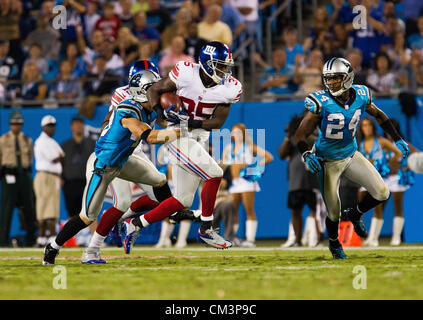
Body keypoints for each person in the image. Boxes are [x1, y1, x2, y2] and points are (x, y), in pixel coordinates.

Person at [43, 69, 182, 265]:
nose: (158, 93)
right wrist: (180, 131)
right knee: (87, 216)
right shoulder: (128, 110)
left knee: (159, 180)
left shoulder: (149, 108)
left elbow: (163, 118)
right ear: (142, 92)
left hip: (122, 162)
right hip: (102, 166)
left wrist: (177, 115)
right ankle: (53, 247)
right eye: (154, 89)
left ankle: (173, 213)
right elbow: (150, 137)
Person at [293, 57, 409, 259]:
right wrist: (306, 153)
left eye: (336, 78)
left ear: (348, 78)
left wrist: (397, 138)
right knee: (334, 212)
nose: (331, 83)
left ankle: (355, 213)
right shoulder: (321, 102)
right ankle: (334, 243)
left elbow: (380, 115)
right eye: (328, 79)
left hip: (351, 154)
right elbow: (300, 135)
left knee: (382, 193)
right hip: (327, 160)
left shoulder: (362, 95)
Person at [132, 41, 243, 249]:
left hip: (198, 135)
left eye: (226, 66)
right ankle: (207, 229)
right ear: (207, 63)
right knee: (215, 173)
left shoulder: (230, 88)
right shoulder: (185, 72)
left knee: (182, 200)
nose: (225, 70)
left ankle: (136, 223)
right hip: (176, 134)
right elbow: (154, 90)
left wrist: (188, 121)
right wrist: (160, 113)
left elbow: (217, 123)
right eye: (220, 65)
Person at [365, 119, 419, 246]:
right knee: (378, 207)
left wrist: (408, 166)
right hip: (383, 178)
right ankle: (373, 237)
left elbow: (417, 154)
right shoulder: (381, 143)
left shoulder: (403, 144)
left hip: (397, 179)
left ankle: (396, 237)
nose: (390, 132)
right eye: (388, 130)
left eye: (393, 129)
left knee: (397, 207)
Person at [223, 123, 274, 247]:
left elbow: (269, 157)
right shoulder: (229, 148)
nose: (236, 134)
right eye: (234, 132)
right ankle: (232, 238)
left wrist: (254, 167)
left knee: (248, 209)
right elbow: (224, 163)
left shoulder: (250, 147)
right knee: (233, 210)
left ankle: (250, 240)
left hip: (247, 181)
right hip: (234, 183)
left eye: (239, 132)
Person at [357, 117, 402, 247]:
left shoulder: (381, 141)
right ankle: (365, 236)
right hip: (365, 179)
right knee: (359, 207)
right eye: (364, 125)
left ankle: (374, 238)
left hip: (379, 178)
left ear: (373, 127)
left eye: (369, 125)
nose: (367, 128)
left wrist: (388, 164)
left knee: (378, 208)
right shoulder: (360, 144)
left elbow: (398, 153)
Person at [279, 114, 320, 248]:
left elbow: (316, 144)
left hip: (312, 181)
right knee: (295, 211)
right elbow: (281, 154)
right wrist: (288, 135)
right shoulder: (291, 139)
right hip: (295, 182)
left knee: (315, 211)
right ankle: (297, 239)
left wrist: (302, 134)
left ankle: (317, 239)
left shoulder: (311, 136)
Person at [0, 111, 36, 247]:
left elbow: (30, 157)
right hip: (9, 175)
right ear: (10, 124)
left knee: (29, 207)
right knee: (6, 209)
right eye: (14, 123)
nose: (16, 126)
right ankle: (2, 240)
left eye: (19, 123)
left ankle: (31, 239)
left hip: (24, 175)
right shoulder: (3, 140)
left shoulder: (27, 140)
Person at [34, 115, 65, 248]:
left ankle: (44, 238)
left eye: (53, 126)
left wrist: (60, 157)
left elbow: (62, 156)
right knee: (46, 207)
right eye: (49, 126)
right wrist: (60, 157)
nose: (51, 128)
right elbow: (55, 158)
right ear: (43, 127)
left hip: (52, 176)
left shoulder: (51, 141)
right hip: (46, 176)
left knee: (48, 207)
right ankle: (47, 237)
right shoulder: (42, 141)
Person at [61, 117, 96, 227]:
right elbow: (60, 164)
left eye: (80, 124)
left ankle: (97, 240)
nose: (78, 127)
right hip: (70, 183)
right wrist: (60, 177)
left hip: (87, 181)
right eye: (75, 124)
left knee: (91, 211)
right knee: (71, 212)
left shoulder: (91, 143)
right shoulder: (65, 145)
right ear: (71, 127)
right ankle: (71, 241)